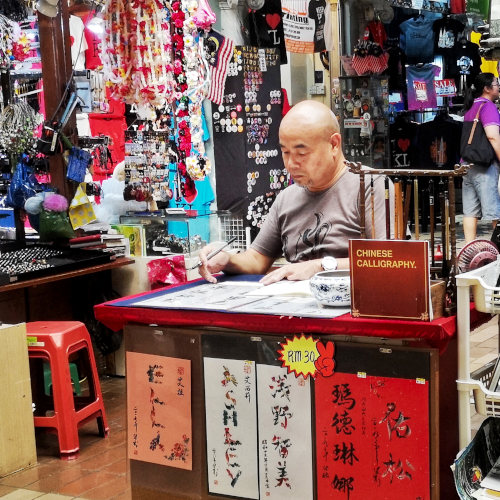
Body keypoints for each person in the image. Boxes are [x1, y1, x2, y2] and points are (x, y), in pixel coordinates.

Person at [198, 100, 392, 285]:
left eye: (301, 153)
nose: (291, 164)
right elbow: (257, 259)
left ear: (333, 144)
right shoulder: (287, 198)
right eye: (285, 152)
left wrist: (320, 266)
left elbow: (389, 261)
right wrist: (227, 260)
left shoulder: (371, 186)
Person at [461, 72, 500, 243]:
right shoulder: (488, 106)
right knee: (496, 213)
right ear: (487, 88)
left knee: (470, 212)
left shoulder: (471, 107)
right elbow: (493, 136)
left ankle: (469, 248)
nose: (498, 87)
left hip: (467, 164)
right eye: (496, 83)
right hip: (484, 166)